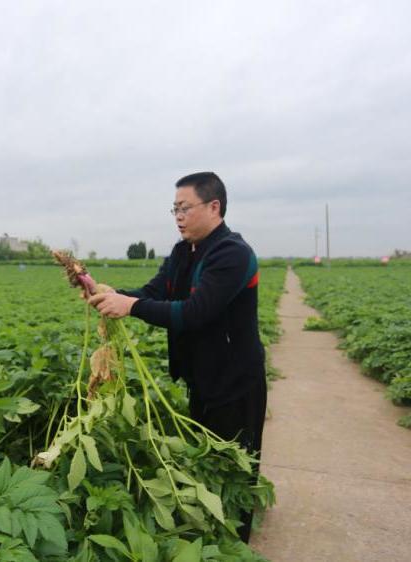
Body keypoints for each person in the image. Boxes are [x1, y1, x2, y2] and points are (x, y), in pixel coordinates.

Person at [87, 171, 266, 543]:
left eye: (185, 208)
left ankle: (235, 544)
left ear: (214, 207)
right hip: (201, 377)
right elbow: (153, 292)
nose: (178, 216)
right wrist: (107, 293)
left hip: (236, 381)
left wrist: (131, 306)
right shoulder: (184, 252)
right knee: (206, 461)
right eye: (175, 209)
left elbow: (194, 312)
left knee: (236, 470)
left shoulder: (233, 254)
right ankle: (209, 537)